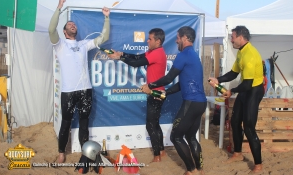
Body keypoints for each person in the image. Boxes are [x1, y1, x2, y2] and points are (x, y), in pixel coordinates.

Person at [48, 0, 110, 165]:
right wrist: (59, 8)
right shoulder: (59, 45)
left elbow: (103, 38)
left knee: (84, 123)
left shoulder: (84, 44)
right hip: (68, 92)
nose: (72, 25)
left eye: (74, 24)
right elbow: (51, 28)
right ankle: (61, 153)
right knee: (65, 124)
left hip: (85, 90)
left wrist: (106, 18)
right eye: (69, 24)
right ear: (64, 31)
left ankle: (86, 154)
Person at [142, 26, 207, 175]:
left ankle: (191, 170)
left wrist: (150, 86)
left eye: (178, 37)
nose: (176, 40)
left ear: (184, 38)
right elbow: (180, 84)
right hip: (200, 103)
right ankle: (200, 169)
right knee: (190, 136)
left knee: (176, 136)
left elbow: (169, 77)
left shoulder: (183, 55)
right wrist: (165, 92)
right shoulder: (194, 55)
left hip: (191, 102)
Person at [208, 26, 264, 173]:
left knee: (249, 128)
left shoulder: (250, 54)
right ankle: (238, 154)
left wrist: (231, 91)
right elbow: (234, 73)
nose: (231, 40)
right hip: (245, 89)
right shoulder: (241, 52)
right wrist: (218, 79)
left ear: (240, 37)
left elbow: (247, 84)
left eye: (232, 37)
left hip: (254, 90)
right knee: (234, 121)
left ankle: (258, 164)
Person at [107, 28, 167, 162]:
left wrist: (119, 57)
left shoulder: (157, 53)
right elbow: (138, 57)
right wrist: (122, 53)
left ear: (157, 41)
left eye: (150, 39)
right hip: (155, 92)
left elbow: (136, 64)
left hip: (156, 93)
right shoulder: (154, 51)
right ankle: (162, 152)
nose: (147, 40)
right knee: (155, 124)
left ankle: (157, 156)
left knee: (150, 125)